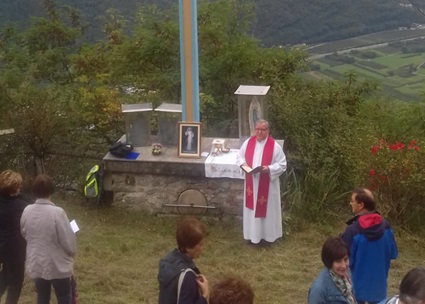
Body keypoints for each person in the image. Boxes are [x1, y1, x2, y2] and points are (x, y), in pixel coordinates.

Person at [20, 174, 76, 304]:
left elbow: (24, 232)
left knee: (42, 297)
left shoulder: (27, 210)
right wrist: (72, 253)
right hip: (57, 264)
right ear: (51, 190)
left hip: (37, 261)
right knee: (63, 297)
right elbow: (68, 241)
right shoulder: (57, 213)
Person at [340, 188, 398, 304]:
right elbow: (393, 253)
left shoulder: (352, 231)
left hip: (356, 291)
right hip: (379, 291)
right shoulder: (386, 227)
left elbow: (344, 262)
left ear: (361, 205)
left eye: (352, 201)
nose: (350, 204)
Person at [236, 119, 287, 244]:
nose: (259, 132)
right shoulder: (248, 143)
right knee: (251, 210)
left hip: (267, 186)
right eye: (257, 129)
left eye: (262, 130)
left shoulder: (274, 147)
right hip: (251, 184)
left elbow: (282, 164)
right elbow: (239, 157)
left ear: (267, 131)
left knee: (267, 211)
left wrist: (269, 169)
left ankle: (268, 237)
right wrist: (244, 165)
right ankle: (251, 236)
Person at [157, 217, 209, 304]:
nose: (202, 248)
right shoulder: (187, 276)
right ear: (188, 248)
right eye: (200, 245)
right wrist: (204, 295)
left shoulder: (168, 260)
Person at [0, 170, 29, 304]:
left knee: (6, 274)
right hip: (15, 250)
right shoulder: (22, 206)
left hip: (2, 246)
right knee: (16, 283)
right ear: (16, 187)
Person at [308, 237, 356, 304]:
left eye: (345, 259)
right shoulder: (318, 289)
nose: (344, 266)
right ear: (329, 262)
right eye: (338, 261)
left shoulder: (347, 272)